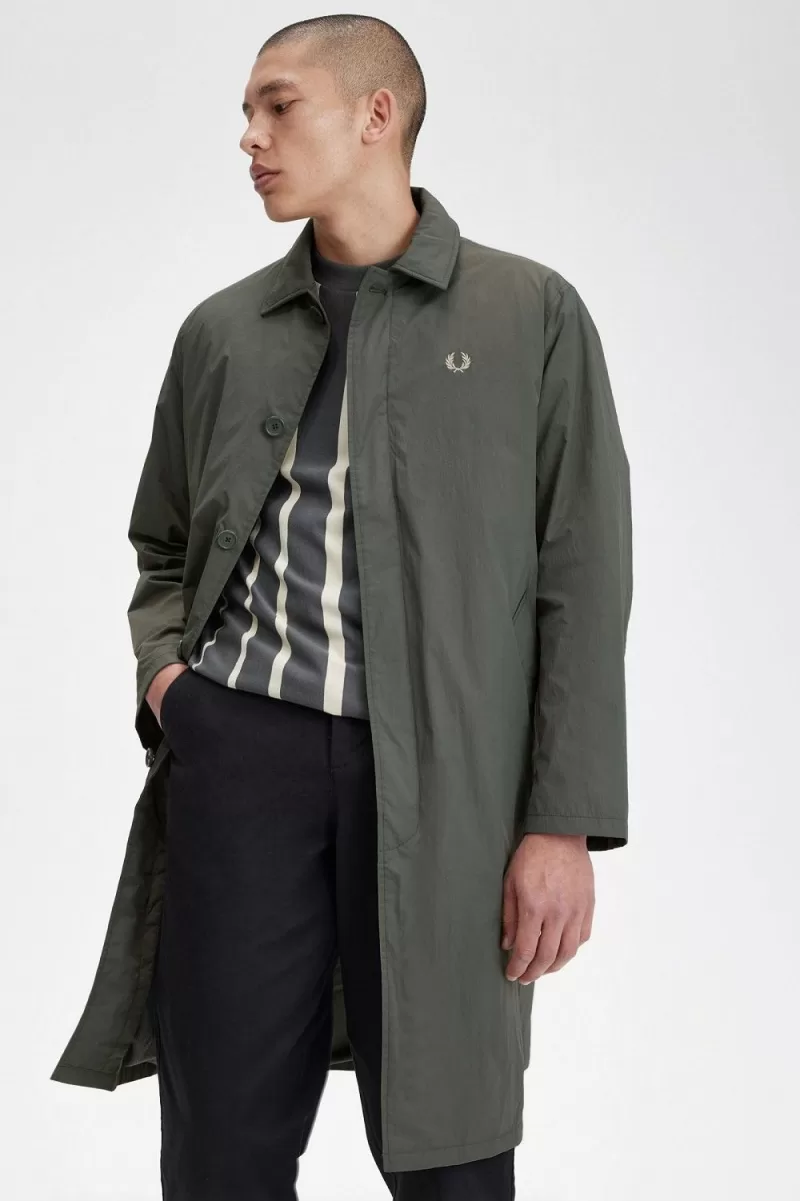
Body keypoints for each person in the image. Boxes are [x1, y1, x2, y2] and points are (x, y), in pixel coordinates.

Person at [50, 14, 633, 1201]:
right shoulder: (221, 331)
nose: (250, 137)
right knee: (220, 1144)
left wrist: (561, 822)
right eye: (247, 113)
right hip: (241, 759)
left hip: (446, 783)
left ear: (377, 116)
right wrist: (173, 688)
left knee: (451, 1141)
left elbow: (581, 577)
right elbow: (163, 547)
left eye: (278, 105)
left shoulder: (528, 314)